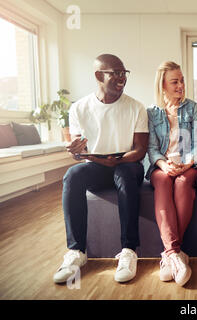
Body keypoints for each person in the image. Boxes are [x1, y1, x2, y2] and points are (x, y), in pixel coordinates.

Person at [53, 54, 149, 284]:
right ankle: (77, 252)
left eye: (124, 73)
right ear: (98, 75)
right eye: (115, 72)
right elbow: (80, 150)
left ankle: (128, 250)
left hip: (127, 165)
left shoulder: (136, 107)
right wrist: (75, 151)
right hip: (96, 166)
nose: (121, 78)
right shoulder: (79, 108)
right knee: (72, 175)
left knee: (124, 174)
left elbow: (140, 150)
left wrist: (118, 160)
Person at [146, 61, 197, 286]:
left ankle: (170, 255)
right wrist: (162, 164)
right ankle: (175, 254)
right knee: (162, 182)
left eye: (182, 81)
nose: (181, 85)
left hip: (187, 166)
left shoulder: (193, 108)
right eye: (175, 81)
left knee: (181, 185)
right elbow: (151, 148)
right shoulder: (151, 112)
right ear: (163, 85)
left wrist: (188, 164)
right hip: (161, 166)